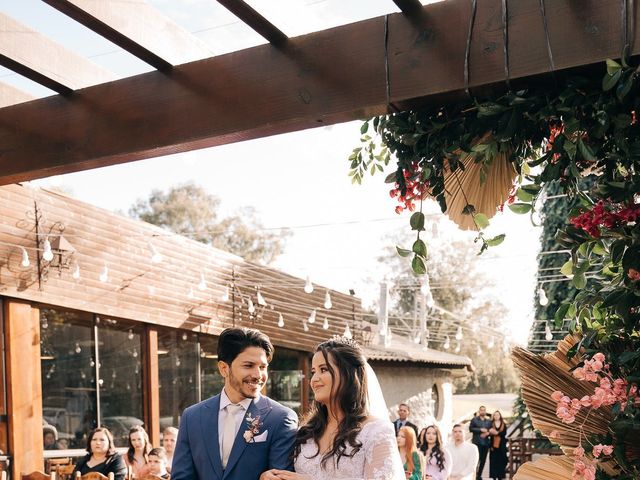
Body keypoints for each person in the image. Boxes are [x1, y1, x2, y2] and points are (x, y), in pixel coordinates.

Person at [263, 336, 405, 480]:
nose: (314, 379)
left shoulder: (376, 431)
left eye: (323, 369)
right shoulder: (306, 432)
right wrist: (271, 476)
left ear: (348, 374)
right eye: (313, 372)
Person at [171, 327, 298, 480]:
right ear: (224, 368)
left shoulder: (281, 418)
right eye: (248, 365)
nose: (258, 375)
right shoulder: (192, 416)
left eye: (263, 367)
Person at [469, 406, 492, 480]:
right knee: (476, 460)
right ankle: (474, 475)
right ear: (479, 411)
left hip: (485, 443)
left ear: (485, 411)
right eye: (481, 410)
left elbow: (491, 430)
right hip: (477, 443)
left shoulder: (488, 421)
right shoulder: (474, 420)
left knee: (483, 460)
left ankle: (479, 475)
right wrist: (480, 430)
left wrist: (487, 433)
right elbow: (471, 429)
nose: (483, 411)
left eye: (484, 410)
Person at [488, 411, 508, 480]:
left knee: (502, 460)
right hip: (493, 445)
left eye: (498, 415)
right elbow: (489, 433)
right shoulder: (491, 424)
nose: (496, 416)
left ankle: (500, 476)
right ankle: (494, 477)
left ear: (500, 416)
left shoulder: (503, 424)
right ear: (493, 416)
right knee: (493, 461)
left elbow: (504, 433)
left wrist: (496, 433)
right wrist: (491, 432)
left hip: (502, 445)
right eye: (495, 415)